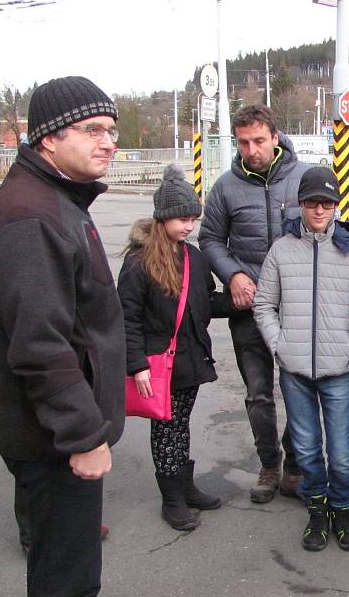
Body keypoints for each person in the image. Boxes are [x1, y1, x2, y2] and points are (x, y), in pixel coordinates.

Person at [0, 76, 125, 596]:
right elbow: (40, 347)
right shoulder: (29, 216)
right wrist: (83, 436)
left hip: (58, 434)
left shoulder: (55, 199)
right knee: (68, 582)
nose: (108, 141)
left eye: (111, 129)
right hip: (55, 442)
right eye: (92, 129)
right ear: (48, 139)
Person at [253, 167, 349, 551]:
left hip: (337, 370)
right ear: (301, 205)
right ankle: (317, 513)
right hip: (295, 371)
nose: (319, 209)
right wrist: (280, 345)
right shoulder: (281, 249)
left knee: (340, 452)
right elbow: (264, 304)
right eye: (312, 202)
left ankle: (343, 513)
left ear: (335, 206)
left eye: (326, 203)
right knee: (307, 449)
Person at [199, 104, 307, 503]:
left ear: (275, 138)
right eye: (243, 142)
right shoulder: (226, 186)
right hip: (248, 308)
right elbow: (209, 240)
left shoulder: (303, 179)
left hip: (297, 307)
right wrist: (233, 275)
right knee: (258, 393)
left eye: (259, 140)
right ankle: (269, 464)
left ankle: (295, 466)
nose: (252, 150)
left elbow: (331, 233)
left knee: (301, 388)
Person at [118, 165, 228, 531]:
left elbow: (205, 301)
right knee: (166, 428)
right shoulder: (138, 262)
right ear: (163, 216)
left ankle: (184, 486)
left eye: (193, 218)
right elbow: (126, 318)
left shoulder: (193, 257)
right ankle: (173, 499)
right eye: (182, 218)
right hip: (156, 365)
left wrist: (245, 300)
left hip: (189, 361)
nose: (189, 226)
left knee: (179, 425)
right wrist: (136, 365)